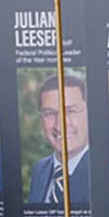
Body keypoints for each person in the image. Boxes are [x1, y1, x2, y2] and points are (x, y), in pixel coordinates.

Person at [20, 74, 89, 210]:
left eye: (71, 111)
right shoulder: (40, 169)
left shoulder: (104, 172)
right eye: (50, 114)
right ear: (41, 119)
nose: (60, 125)